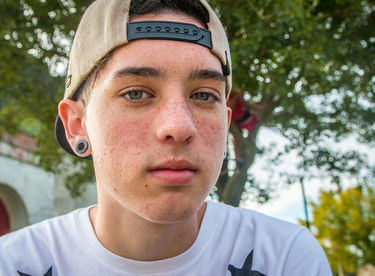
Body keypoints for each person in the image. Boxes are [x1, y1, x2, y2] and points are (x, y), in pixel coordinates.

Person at [0, 0, 333, 275]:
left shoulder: (285, 259)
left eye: (204, 96)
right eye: (136, 93)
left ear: (225, 119)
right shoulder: (13, 264)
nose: (179, 126)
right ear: (77, 125)